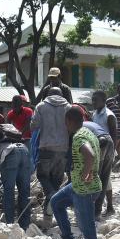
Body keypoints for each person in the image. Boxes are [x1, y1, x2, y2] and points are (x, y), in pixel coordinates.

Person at [51, 107, 102, 239]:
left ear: (69, 121)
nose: (65, 127)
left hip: (84, 190)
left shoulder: (79, 137)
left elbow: (89, 154)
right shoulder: (88, 131)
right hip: (80, 186)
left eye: (66, 123)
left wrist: (86, 172)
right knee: (56, 202)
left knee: (89, 234)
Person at [31, 87, 71, 216]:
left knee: (42, 176)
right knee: (56, 180)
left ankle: (52, 197)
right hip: (63, 149)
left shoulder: (41, 106)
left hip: (46, 148)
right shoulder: (68, 107)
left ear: (47, 94)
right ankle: (48, 214)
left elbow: (34, 126)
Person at [0, 124, 31, 229]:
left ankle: (9, 225)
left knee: (8, 191)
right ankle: (25, 226)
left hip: (9, 153)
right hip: (24, 151)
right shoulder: (9, 128)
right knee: (25, 191)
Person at [90, 90, 117, 217]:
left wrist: (113, 156)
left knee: (104, 180)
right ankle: (105, 207)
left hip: (106, 150)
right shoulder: (95, 114)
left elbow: (114, 137)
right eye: (92, 99)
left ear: (103, 101)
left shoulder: (109, 115)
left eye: (96, 99)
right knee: (103, 180)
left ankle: (103, 208)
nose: (93, 102)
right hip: (97, 150)